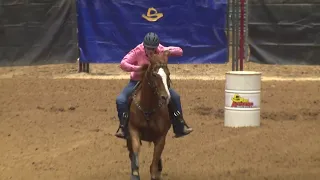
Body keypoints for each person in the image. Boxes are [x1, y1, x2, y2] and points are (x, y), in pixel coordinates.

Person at [115, 32, 193, 139]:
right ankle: (124, 127)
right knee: (121, 100)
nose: (150, 51)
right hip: (138, 80)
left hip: (157, 81)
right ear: (144, 46)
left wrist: (167, 51)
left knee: (175, 97)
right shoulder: (138, 50)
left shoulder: (160, 49)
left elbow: (180, 51)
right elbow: (123, 64)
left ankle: (179, 126)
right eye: (148, 48)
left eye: (153, 48)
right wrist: (139, 68)